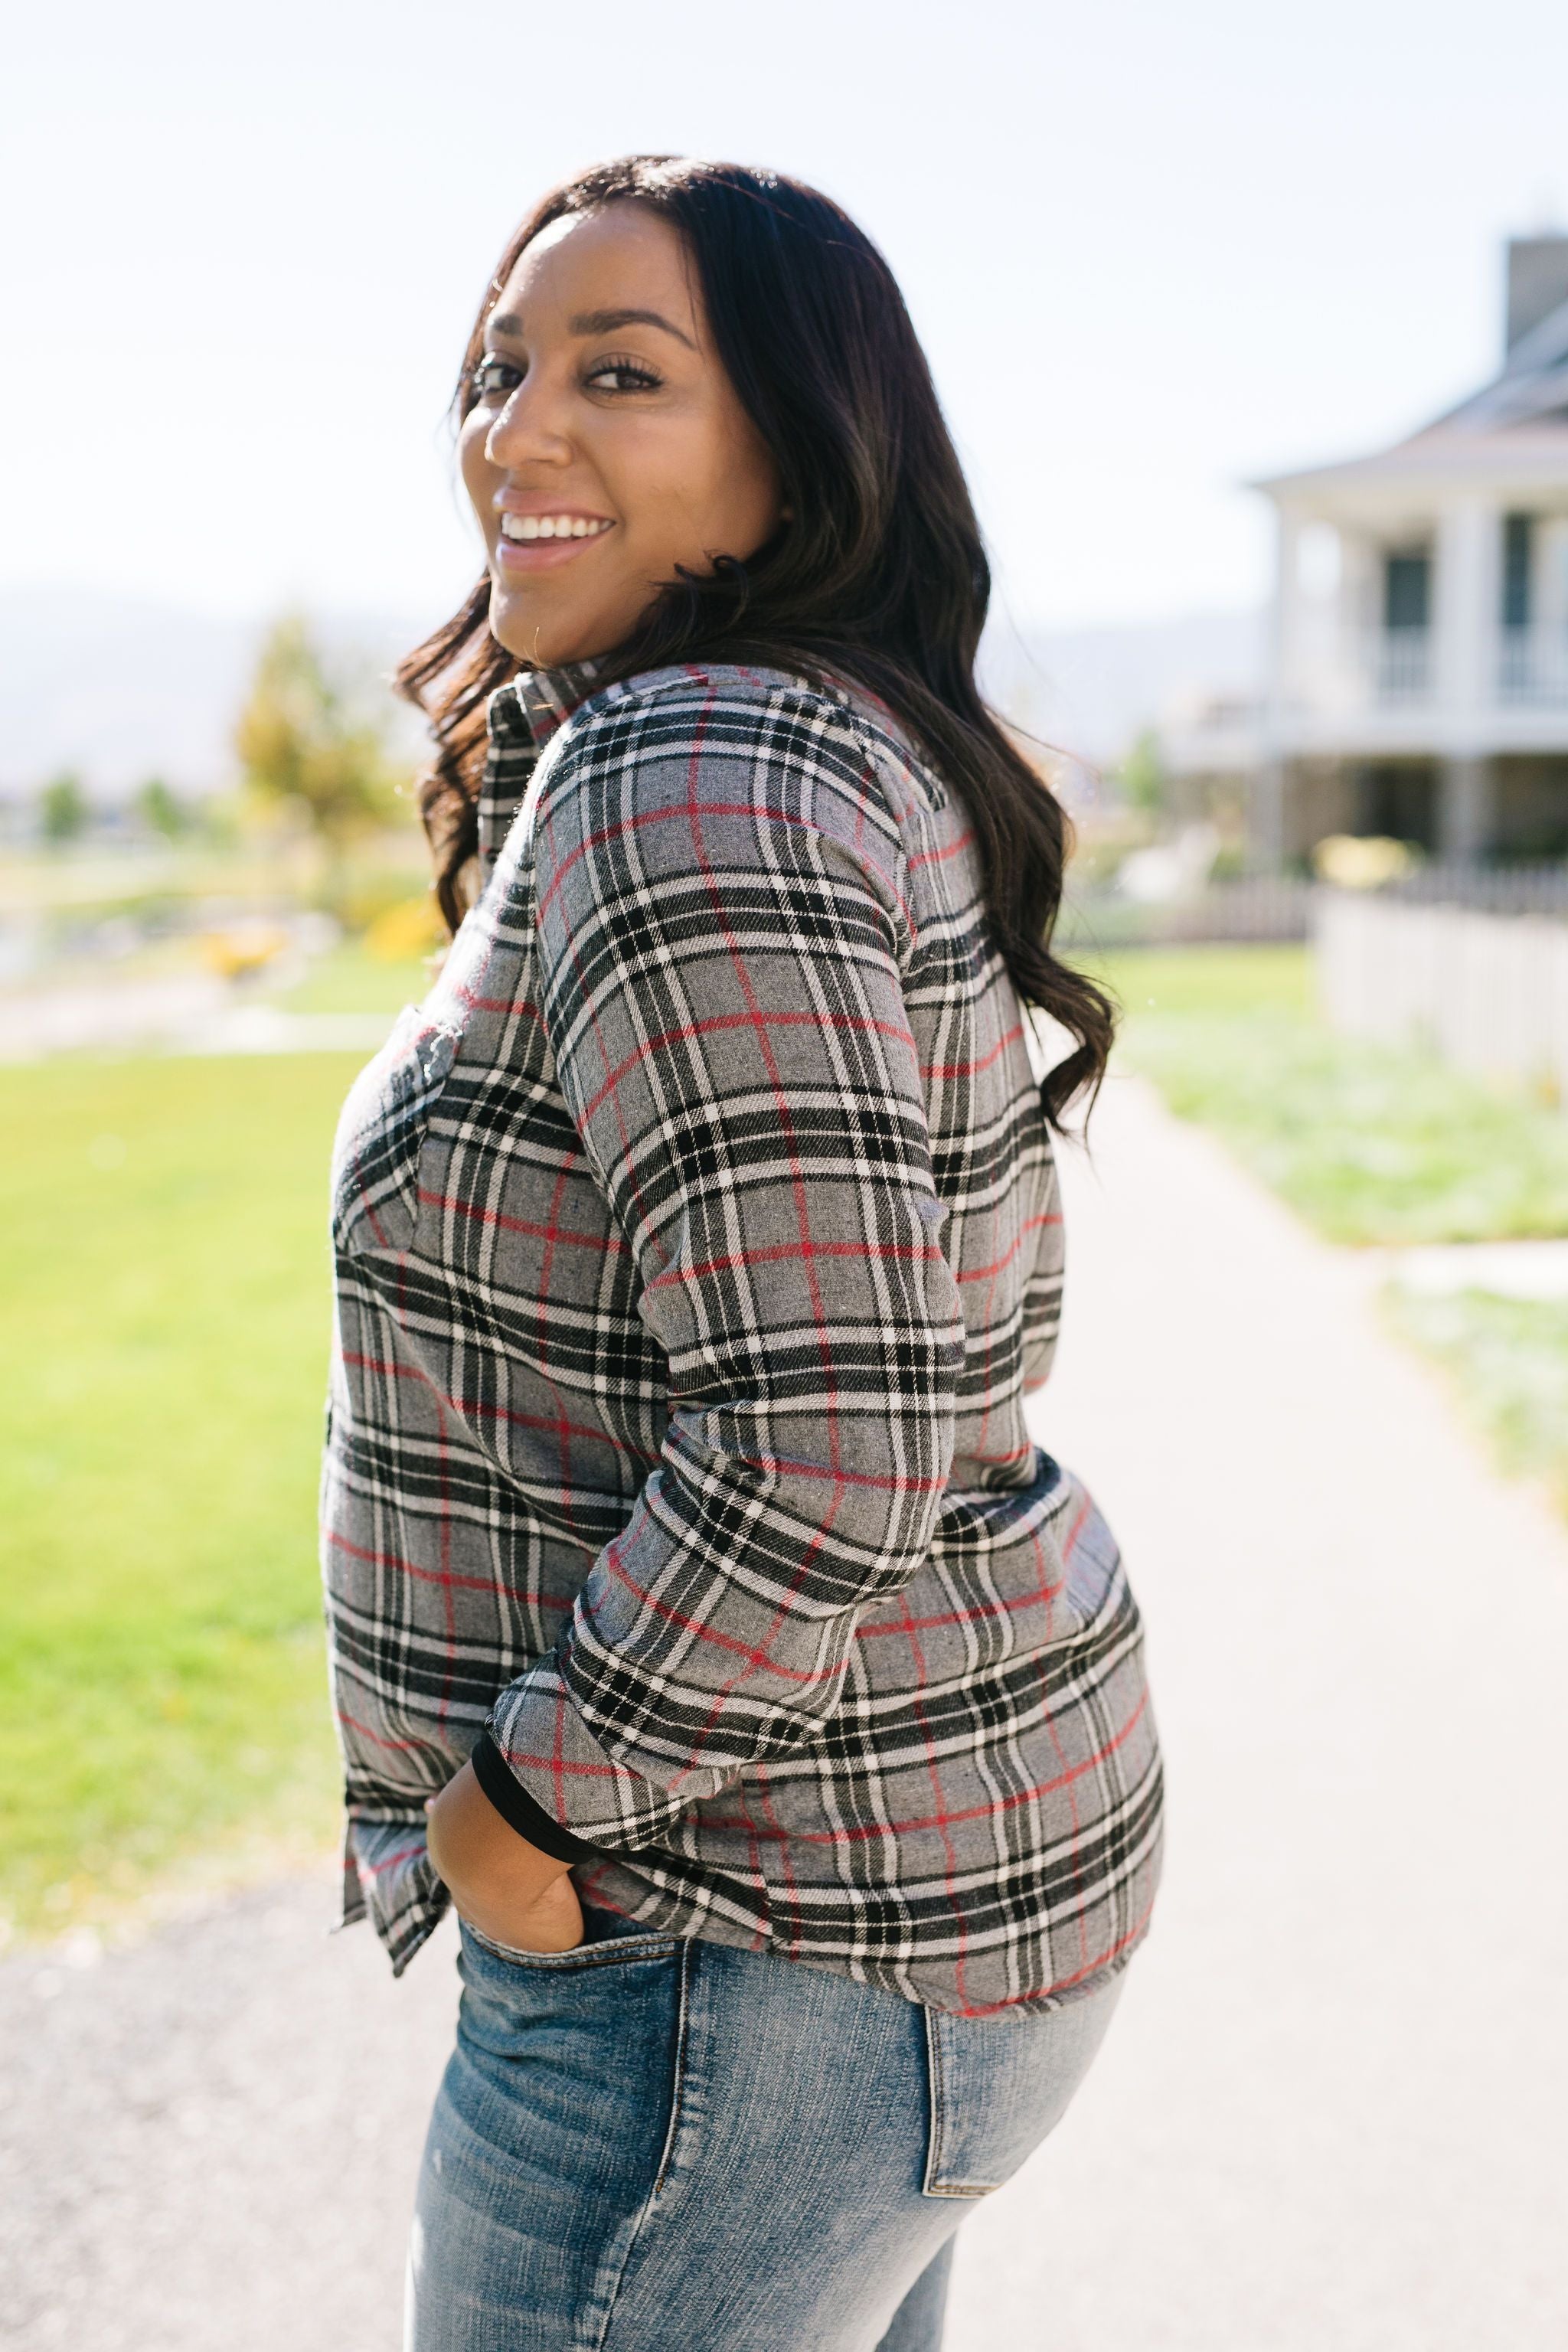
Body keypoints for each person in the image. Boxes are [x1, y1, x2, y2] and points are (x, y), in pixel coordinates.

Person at [322, 155, 1163, 2352]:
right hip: (877, 1918)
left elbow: (827, 1436)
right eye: (503, 371)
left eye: (623, 373)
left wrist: (522, 1804)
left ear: (795, 449)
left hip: (734, 1939)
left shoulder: (697, 770)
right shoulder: (775, 733)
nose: (519, 429)